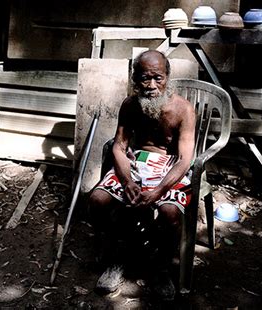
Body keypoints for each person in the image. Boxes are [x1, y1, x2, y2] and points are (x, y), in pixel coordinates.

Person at [88, 50, 196, 300]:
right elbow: (119, 146)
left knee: (169, 212)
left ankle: (161, 268)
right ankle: (117, 257)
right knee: (97, 201)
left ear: (168, 77)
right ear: (135, 79)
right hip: (136, 164)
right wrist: (126, 181)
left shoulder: (184, 110)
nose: (151, 86)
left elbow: (184, 160)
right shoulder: (129, 105)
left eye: (158, 78)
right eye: (145, 79)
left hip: (169, 167)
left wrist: (158, 192)